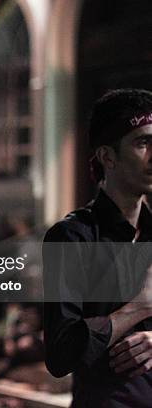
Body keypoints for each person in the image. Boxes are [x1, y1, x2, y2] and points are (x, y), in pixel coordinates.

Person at [43, 88, 152, 406]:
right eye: (143, 143)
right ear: (108, 157)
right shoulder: (72, 238)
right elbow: (60, 354)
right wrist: (138, 308)